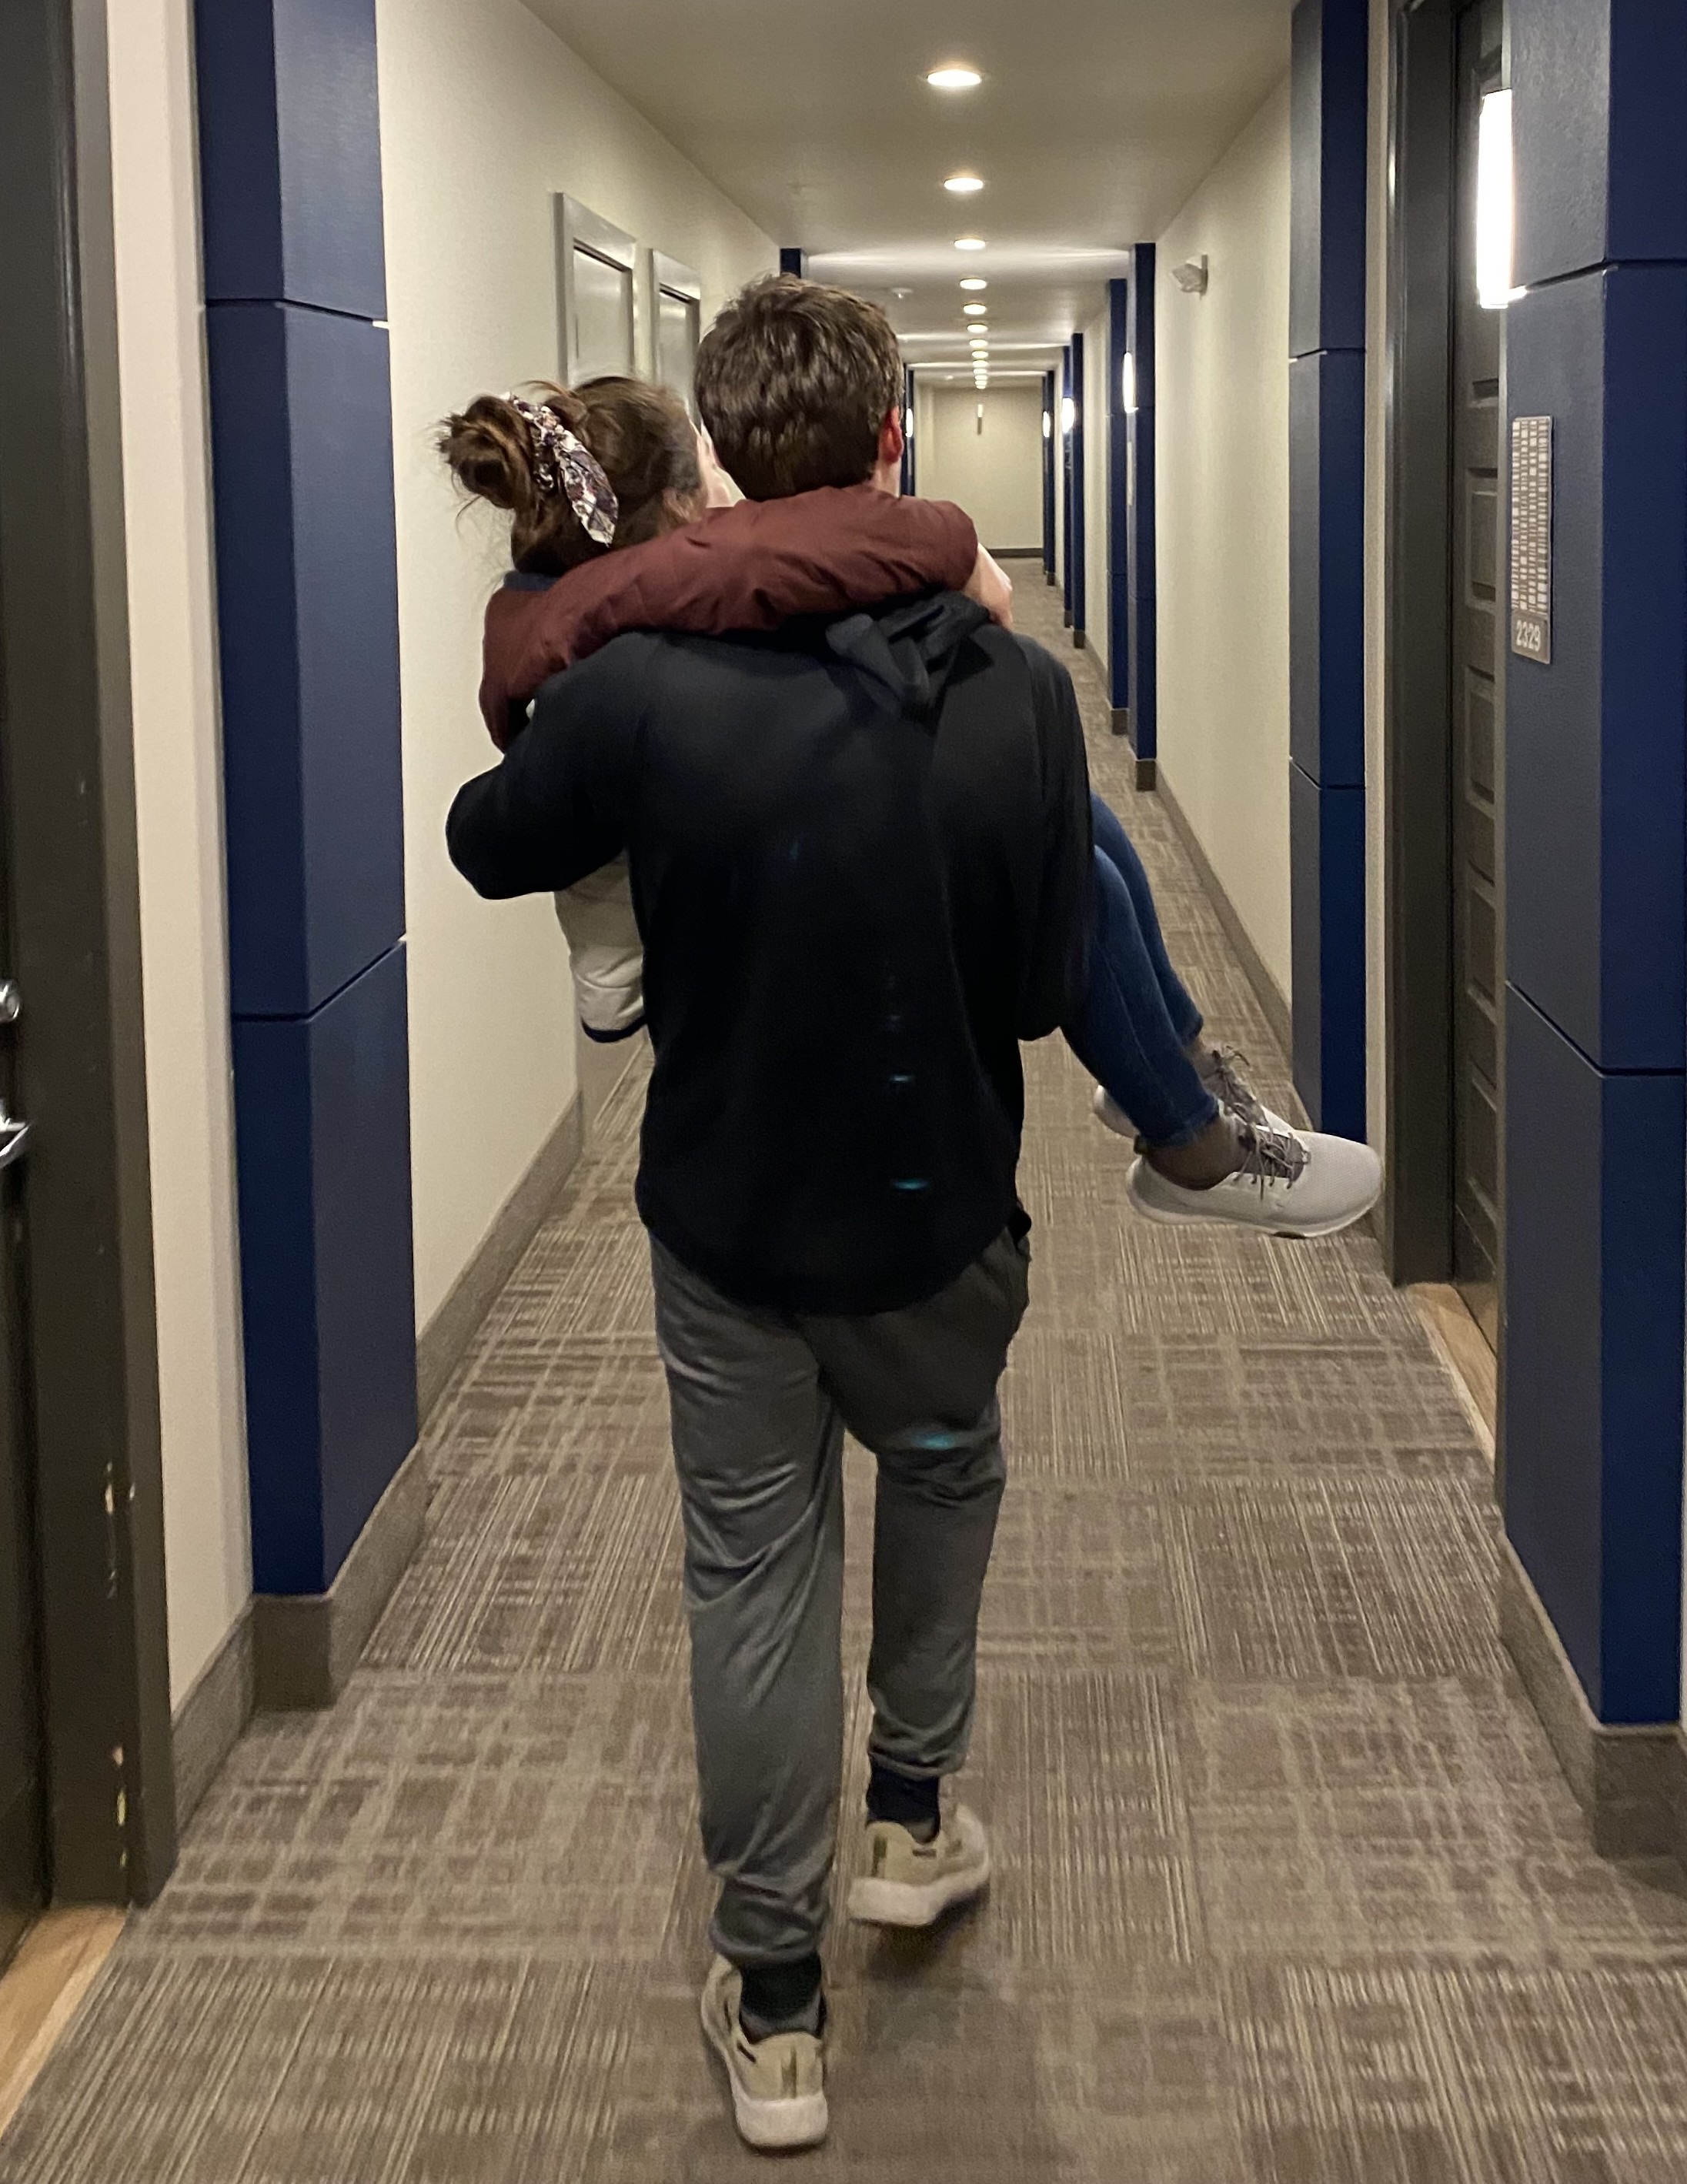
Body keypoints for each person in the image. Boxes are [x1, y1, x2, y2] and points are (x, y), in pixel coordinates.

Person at [448, 276, 1092, 2152]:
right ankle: (909, 1819)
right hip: (936, 1211)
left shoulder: (637, 688)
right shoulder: (1020, 693)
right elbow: (1044, 986)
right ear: (892, 440)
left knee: (750, 1571)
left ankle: (781, 2004)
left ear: (722, 458)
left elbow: (489, 843)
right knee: (947, 1474)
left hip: (727, 1216)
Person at [443, 373, 1382, 1241]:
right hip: (691, 934)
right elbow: (813, 555)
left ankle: (1176, 1072)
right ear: (684, 504)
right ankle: (1185, 1134)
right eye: (706, 464)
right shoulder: (627, 627)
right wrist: (955, 551)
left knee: (1074, 813)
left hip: (732, 870)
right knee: (1066, 864)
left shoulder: (613, 595)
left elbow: (800, 558)